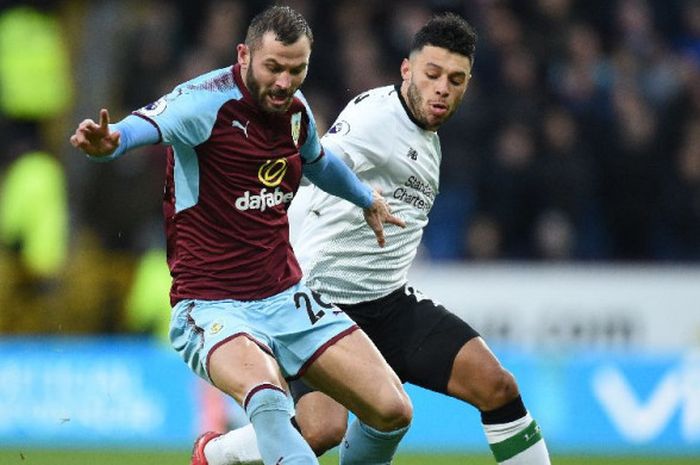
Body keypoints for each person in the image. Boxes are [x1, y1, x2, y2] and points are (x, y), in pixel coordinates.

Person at [70, 6, 413, 465]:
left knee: (391, 411)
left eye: (297, 70)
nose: (284, 82)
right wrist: (111, 141)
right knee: (269, 401)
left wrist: (364, 198)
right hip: (212, 305)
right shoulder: (204, 101)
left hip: (287, 297)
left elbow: (319, 162)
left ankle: (218, 456)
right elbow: (145, 124)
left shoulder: (295, 111)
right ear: (244, 55)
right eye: (273, 67)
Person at [204, 12, 552, 465]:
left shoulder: (427, 136)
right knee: (320, 430)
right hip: (323, 306)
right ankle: (217, 454)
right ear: (407, 70)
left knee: (497, 386)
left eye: (455, 79)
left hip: (388, 306)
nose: (442, 87)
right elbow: (317, 160)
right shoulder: (375, 119)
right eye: (431, 74)